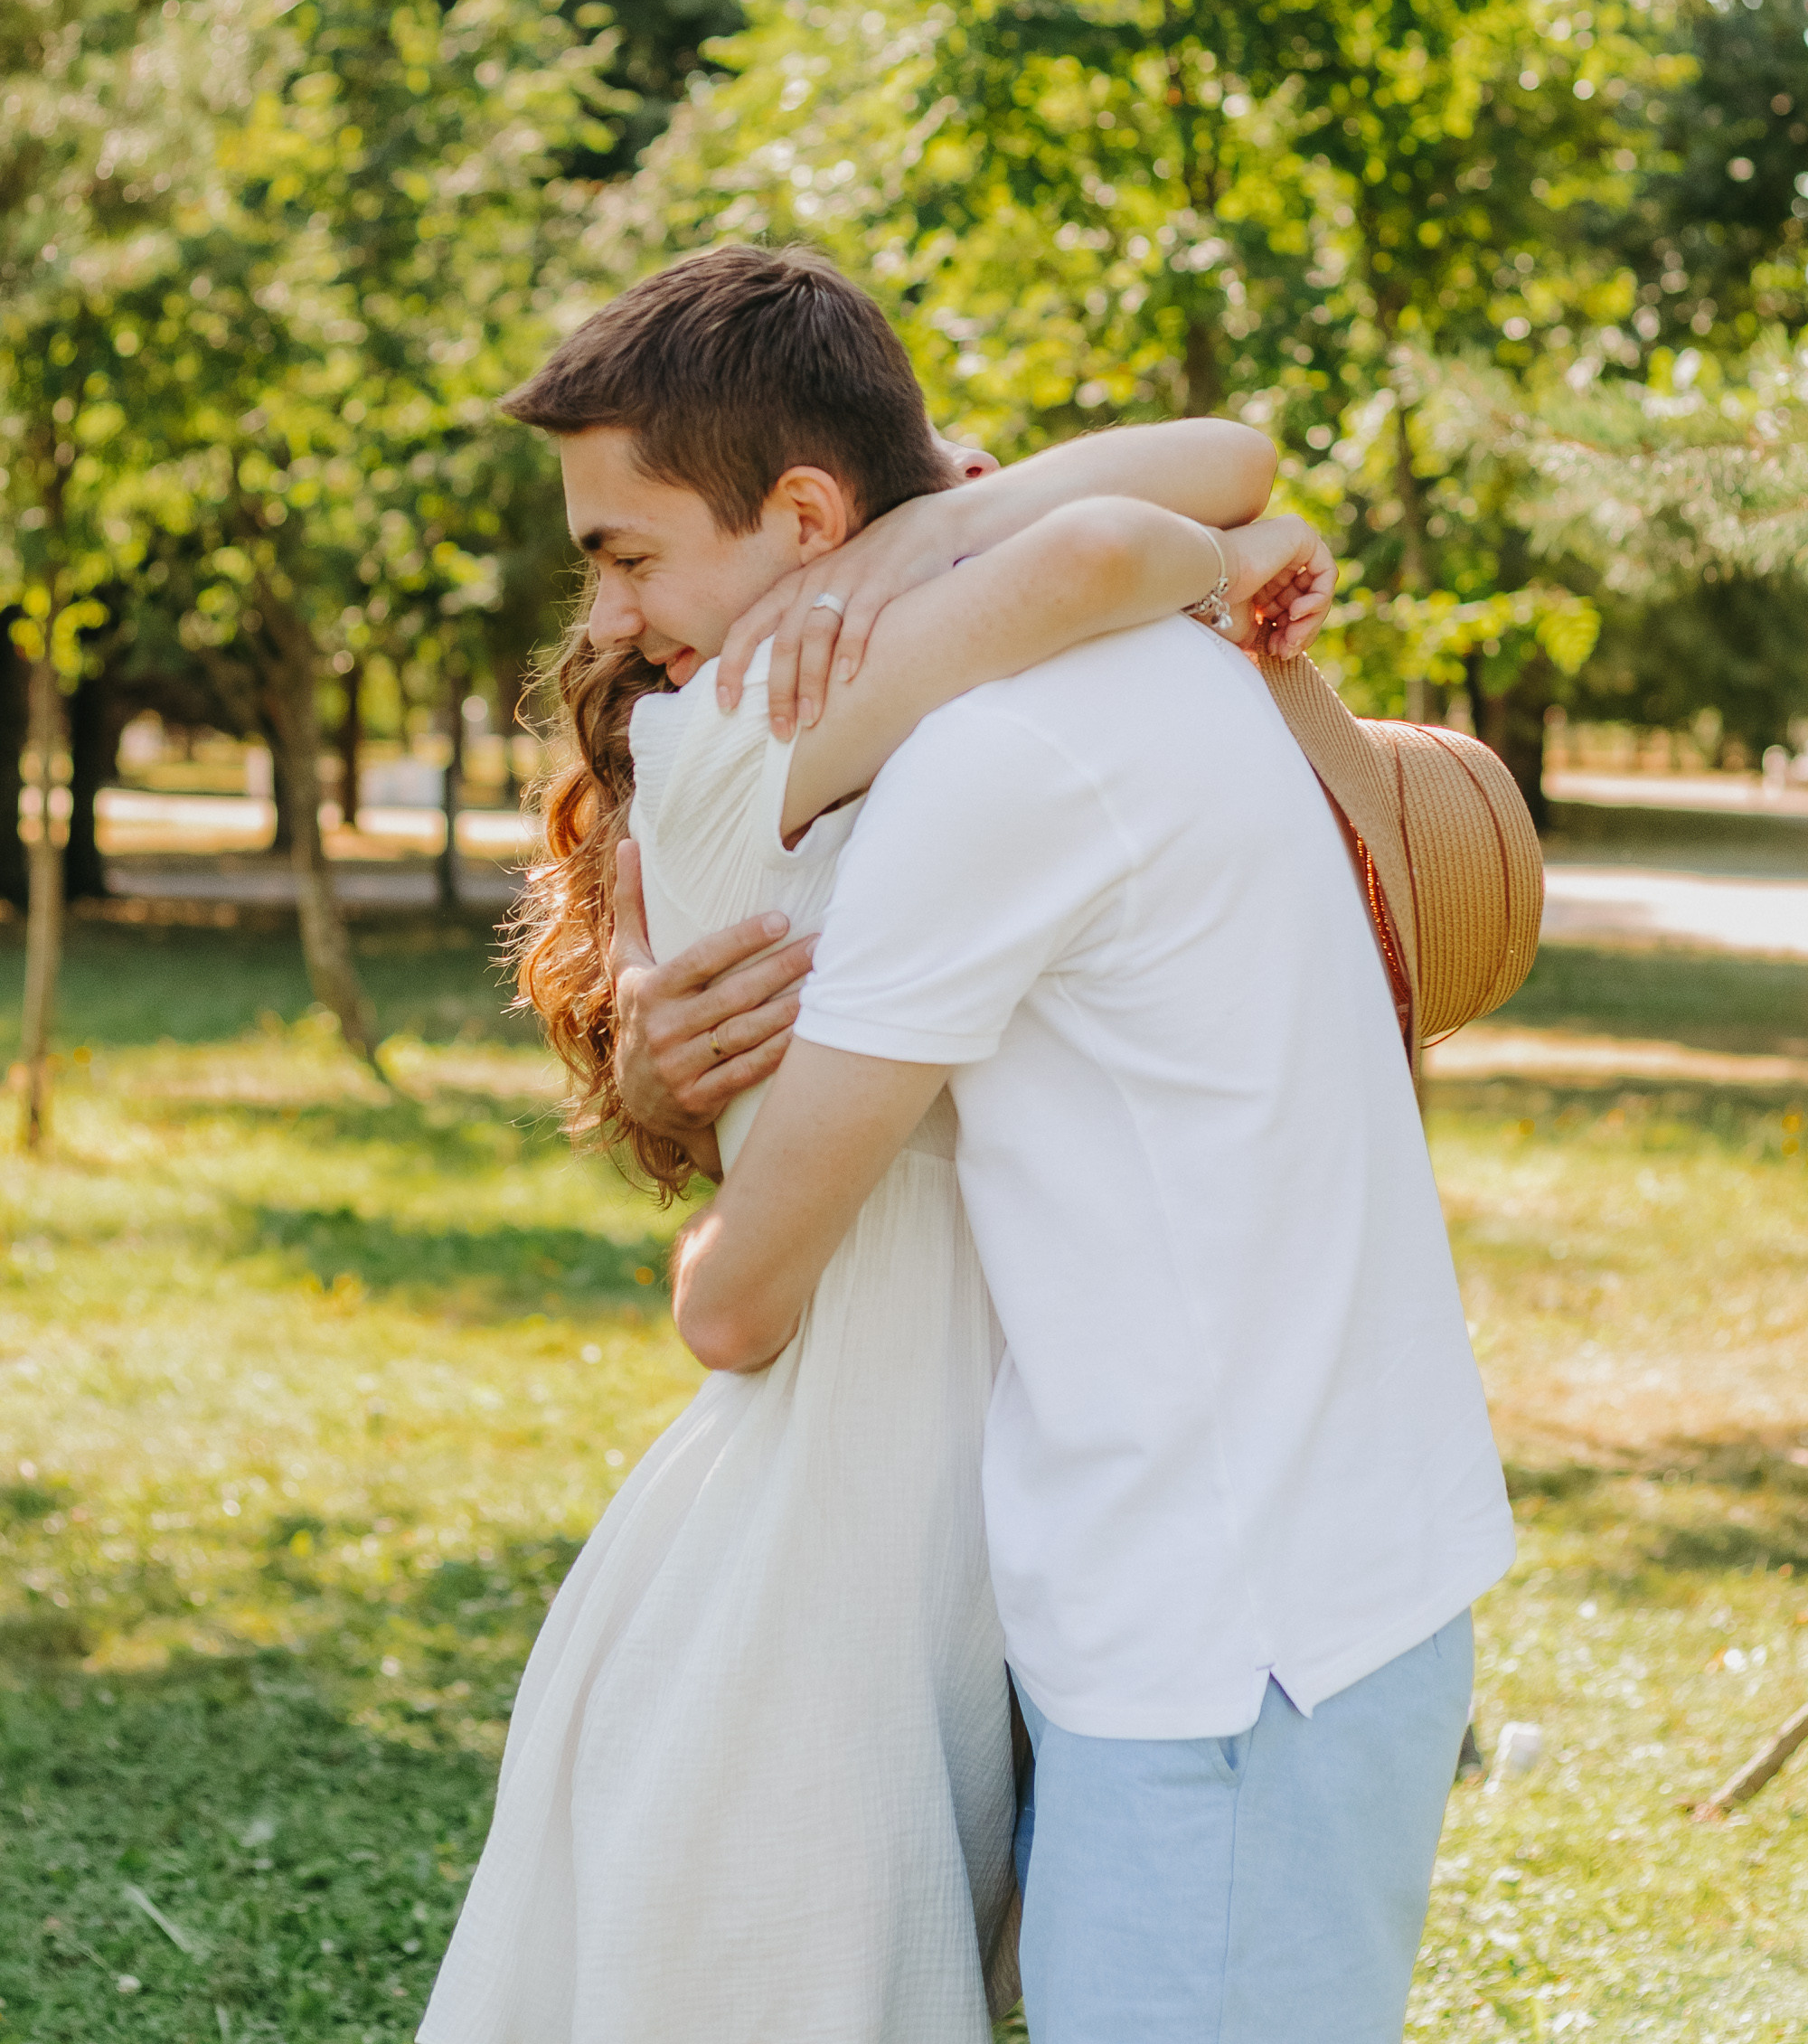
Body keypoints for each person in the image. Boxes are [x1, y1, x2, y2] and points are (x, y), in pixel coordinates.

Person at [419, 244, 1333, 2044]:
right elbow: (1156, 520)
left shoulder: (874, 686)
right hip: (806, 1587)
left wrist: (941, 536)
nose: (601, 619)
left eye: (622, 557)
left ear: (807, 511)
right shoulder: (739, 725)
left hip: (926, 1544)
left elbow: (1227, 452)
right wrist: (1186, 559)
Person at [664, 409, 1518, 2039]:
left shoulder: (1004, 763)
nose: (636, 620)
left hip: (1229, 1646)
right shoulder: (1181, 678)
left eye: (636, 561)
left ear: (815, 531)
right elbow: (1208, 471)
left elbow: (739, 1300)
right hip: (1296, 1590)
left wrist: (702, 1225)